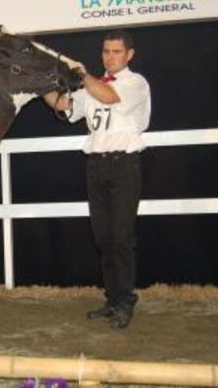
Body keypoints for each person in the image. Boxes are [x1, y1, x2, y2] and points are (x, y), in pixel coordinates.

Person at [43, 29, 151, 329]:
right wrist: (40, 86)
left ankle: (125, 301)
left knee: (121, 237)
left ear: (129, 54)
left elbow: (109, 97)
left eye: (116, 52)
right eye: (106, 51)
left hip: (123, 164)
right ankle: (112, 299)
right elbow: (63, 105)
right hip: (96, 166)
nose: (110, 57)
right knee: (103, 237)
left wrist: (84, 75)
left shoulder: (134, 82)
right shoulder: (93, 86)